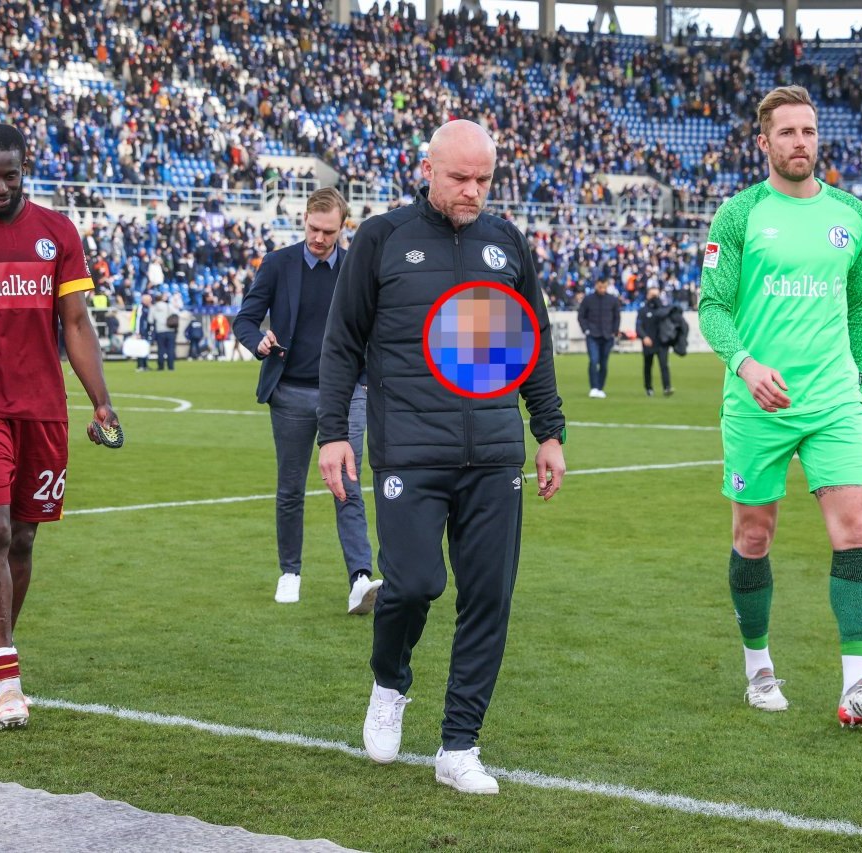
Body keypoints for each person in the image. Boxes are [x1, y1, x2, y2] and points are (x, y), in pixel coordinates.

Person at [318, 120, 566, 794]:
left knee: (488, 595)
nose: (473, 191)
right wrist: (333, 432)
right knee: (417, 583)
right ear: (426, 168)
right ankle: (390, 680)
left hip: (492, 452)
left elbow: (534, 338)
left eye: (484, 179)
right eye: (460, 177)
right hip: (409, 451)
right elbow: (342, 342)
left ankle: (459, 744)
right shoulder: (382, 238)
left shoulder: (506, 243)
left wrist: (549, 431)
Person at [698, 86, 862, 728]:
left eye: (809, 132)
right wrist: (748, 365)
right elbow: (712, 309)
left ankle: (857, 687)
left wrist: (858, 379)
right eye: (787, 133)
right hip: (757, 403)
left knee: (858, 533)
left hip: (834, 401)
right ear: (764, 143)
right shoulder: (739, 215)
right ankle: (758, 669)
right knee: (753, 535)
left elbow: (860, 306)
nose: (801, 143)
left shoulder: (852, 215)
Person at [0, 123, 120, 730]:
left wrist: (102, 402)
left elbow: (77, 324)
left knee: (26, 540)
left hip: (44, 408)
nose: (0, 186)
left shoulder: (57, 232)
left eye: (10, 175)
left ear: (25, 166)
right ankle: (9, 679)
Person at [233, 188, 380, 613]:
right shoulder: (278, 264)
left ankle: (360, 578)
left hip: (347, 392)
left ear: (343, 226)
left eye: (328, 232)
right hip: (291, 391)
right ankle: (290, 572)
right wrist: (258, 341)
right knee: (290, 487)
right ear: (304, 220)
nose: (319, 238)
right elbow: (246, 318)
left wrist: (367, 381)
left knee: (348, 485)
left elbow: (375, 327)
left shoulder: (356, 266)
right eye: (314, 229)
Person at [577, 279, 621, 398]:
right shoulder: (588, 299)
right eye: (600, 287)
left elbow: (617, 317)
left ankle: (600, 388)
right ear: (596, 285)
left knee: (604, 363)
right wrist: (586, 329)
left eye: (604, 287)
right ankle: (594, 387)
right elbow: (581, 316)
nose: (602, 289)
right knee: (593, 361)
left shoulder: (612, 300)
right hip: (592, 335)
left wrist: (614, 331)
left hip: (607, 336)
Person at [635, 287, 673, 396]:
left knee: (664, 365)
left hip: (662, 342)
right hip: (648, 342)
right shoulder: (643, 311)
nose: (654, 298)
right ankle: (648, 388)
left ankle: (667, 387)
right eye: (652, 295)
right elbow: (638, 327)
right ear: (647, 296)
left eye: (656, 295)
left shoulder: (664, 310)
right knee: (648, 366)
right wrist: (644, 337)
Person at [151, 292, 175, 371]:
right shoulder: (168, 306)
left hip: (160, 330)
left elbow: (150, 320)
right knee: (170, 349)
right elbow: (175, 313)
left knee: (161, 349)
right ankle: (170, 366)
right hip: (169, 329)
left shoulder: (153, 307)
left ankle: (161, 366)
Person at [131, 292, 154, 370]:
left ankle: (145, 365)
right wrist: (138, 332)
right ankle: (140, 365)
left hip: (147, 331)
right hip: (141, 332)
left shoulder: (149, 307)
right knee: (140, 349)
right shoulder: (140, 307)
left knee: (145, 348)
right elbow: (138, 320)